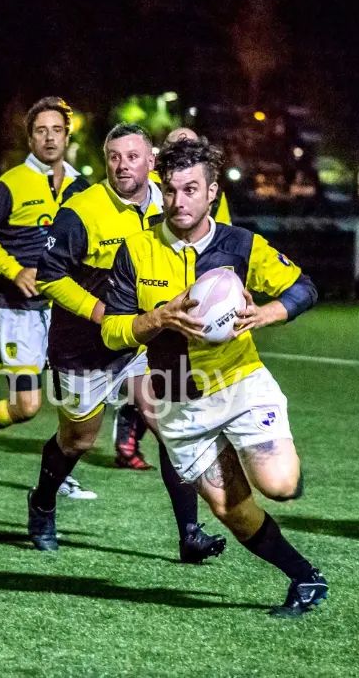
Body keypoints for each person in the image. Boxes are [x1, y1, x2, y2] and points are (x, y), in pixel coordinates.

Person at [101, 137, 327, 616]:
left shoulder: (240, 244)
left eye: (190, 189)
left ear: (211, 193)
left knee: (279, 486)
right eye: (171, 190)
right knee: (231, 511)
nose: (179, 201)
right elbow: (111, 331)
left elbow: (303, 287)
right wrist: (157, 318)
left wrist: (267, 313)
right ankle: (306, 578)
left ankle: (275, 466)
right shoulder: (136, 251)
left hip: (240, 384)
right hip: (178, 401)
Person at [26, 123, 225, 563]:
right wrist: (102, 312)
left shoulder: (168, 200)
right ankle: (42, 502)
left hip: (142, 343)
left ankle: (190, 534)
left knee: (171, 426)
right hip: (82, 347)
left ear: (151, 161)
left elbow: (206, 232)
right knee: (78, 440)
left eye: (133, 156)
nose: (122, 165)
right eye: (114, 157)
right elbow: (49, 276)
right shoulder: (83, 210)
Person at [0, 96, 93, 498]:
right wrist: (14, 270)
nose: (49, 138)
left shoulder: (82, 188)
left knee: (75, 401)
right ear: (30, 138)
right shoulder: (10, 184)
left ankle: (57, 472)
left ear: (67, 136)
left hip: (64, 309)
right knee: (27, 406)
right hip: (16, 309)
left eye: (57, 130)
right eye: (41, 131)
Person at [114, 126, 234, 470]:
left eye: (190, 144)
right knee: (156, 394)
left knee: (178, 390)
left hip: (192, 300)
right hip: (147, 298)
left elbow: (220, 242)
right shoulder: (148, 190)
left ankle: (133, 427)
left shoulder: (207, 193)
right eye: (177, 145)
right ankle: (134, 434)